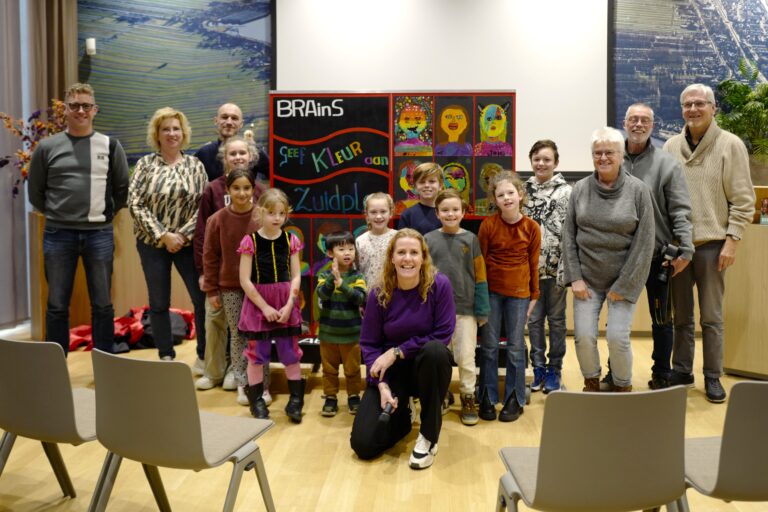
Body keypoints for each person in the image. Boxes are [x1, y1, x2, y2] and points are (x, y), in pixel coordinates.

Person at [663, 84, 755, 403]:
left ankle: (713, 376)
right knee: (682, 316)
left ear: (713, 108)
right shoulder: (671, 146)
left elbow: (744, 200)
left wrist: (733, 241)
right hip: (678, 246)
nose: (693, 109)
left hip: (713, 245)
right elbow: (664, 197)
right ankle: (682, 371)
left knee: (712, 317)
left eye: (700, 103)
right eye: (687, 104)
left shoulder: (730, 145)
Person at [28, 82, 129, 356]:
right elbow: (35, 191)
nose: (80, 111)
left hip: (99, 235)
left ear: (95, 110)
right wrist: (58, 214)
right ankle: (55, 362)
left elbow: (122, 190)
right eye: (74, 106)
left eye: (86, 106)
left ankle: (106, 360)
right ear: (66, 110)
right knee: (57, 303)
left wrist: (105, 215)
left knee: (102, 303)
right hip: (58, 234)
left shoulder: (110, 146)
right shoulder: (47, 147)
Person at [599, 103, 694, 391]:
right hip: (619, 258)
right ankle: (614, 372)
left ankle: (662, 373)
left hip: (656, 257)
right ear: (624, 124)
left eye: (644, 120)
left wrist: (685, 249)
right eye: (633, 120)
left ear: (652, 126)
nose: (638, 124)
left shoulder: (667, 164)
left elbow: (680, 209)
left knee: (662, 320)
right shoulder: (612, 159)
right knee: (616, 323)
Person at [350, 229, 455, 470]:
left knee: (436, 351)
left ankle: (429, 435)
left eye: (414, 253)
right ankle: (404, 415)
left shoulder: (439, 285)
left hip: (427, 369)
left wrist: (398, 351)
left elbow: (443, 333)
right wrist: (381, 385)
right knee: (363, 445)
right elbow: (369, 344)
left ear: (423, 258)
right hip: (392, 373)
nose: (407, 258)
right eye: (401, 252)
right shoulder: (378, 292)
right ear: (392, 258)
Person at [562, 127, 654, 393]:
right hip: (586, 281)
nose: (603, 157)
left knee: (617, 338)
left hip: (623, 281)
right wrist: (576, 278)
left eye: (609, 152)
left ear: (621, 155)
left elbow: (645, 243)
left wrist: (624, 285)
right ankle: (591, 381)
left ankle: (622, 385)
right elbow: (568, 235)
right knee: (584, 337)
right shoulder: (579, 189)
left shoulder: (639, 191)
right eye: (597, 153)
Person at [128, 107, 207, 364]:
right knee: (159, 301)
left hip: (187, 243)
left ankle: (205, 355)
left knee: (201, 298)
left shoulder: (195, 165)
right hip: (152, 243)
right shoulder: (145, 164)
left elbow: (203, 207)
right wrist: (163, 235)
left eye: (176, 128)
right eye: (166, 129)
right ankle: (166, 355)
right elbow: (135, 203)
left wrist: (181, 236)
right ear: (157, 134)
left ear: (183, 133)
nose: (172, 133)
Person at [196, 137, 265, 406]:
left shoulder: (261, 200)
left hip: (258, 285)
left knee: (255, 333)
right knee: (223, 325)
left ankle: (255, 379)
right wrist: (209, 281)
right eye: (232, 153)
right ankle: (225, 374)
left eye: (243, 152)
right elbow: (207, 241)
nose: (242, 193)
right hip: (226, 280)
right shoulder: (213, 194)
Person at [238, 188, 305, 422]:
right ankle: (256, 402)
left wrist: (289, 305)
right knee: (257, 355)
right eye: (271, 213)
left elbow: (296, 276)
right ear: (260, 213)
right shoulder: (251, 241)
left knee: (291, 353)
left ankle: (296, 401)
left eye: (281, 213)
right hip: (259, 304)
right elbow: (244, 280)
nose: (277, 218)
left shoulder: (291, 239)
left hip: (286, 302)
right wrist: (264, 307)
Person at [478, 171, 540, 423]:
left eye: (510, 193)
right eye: (500, 194)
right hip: (492, 293)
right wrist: (480, 298)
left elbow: (534, 264)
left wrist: (534, 296)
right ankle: (487, 395)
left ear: (520, 195)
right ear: (495, 198)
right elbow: (480, 264)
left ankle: (514, 396)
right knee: (489, 347)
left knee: (515, 347)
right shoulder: (488, 225)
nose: (506, 198)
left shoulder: (531, 227)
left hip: (519, 295)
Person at [425, 189, 490, 425]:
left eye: (455, 210)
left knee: (465, 356)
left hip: (466, 310)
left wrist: (481, 310)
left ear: (463, 212)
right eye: (445, 210)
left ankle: (468, 395)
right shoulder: (428, 240)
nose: (450, 214)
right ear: (437, 213)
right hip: (435, 313)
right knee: (439, 357)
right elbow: (423, 276)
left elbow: (480, 277)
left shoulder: (470, 240)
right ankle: (441, 395)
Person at [522, 140, 572, 394]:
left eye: (546, 159)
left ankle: (555, 369)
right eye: (537, 159)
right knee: (533, 322)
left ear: (556, 163)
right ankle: (538, 368)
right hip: (528, 271)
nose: (541, 164)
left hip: (556, 271)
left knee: (557, 321)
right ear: (531, 161)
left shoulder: (567, 192)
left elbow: (571, 232)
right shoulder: (521, 191)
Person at [315, 231, 367, 417]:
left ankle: (354, 396)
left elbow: (360, 298)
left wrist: (342, 284)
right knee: (329, 369)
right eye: (341, 249)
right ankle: (330, 398)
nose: (347, 253)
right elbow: (322, 295)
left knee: (352, 369)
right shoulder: (323, 275)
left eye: (351, 249)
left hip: (352, 334)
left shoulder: (357, 276)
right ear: (330, 253)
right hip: (328, 334)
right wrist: (333, 278)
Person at [195, 103, 269, 182]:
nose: (229, 122)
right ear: (216, 121)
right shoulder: (204, 153)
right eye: (224, 117)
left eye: (234, 118)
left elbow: (277, 175)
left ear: (241, 124)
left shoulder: (254, 151)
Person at [356, 192, 398, 288]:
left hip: (394, 294)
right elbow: (357, 271)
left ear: (391, 213)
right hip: (368, 296)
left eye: (383, 211)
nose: (378, 216)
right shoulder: (360, 241)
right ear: (366, 214)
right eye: (373, 212)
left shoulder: (398, 237)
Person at [397, 162, 444, 234]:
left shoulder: (448, 212)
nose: (427, 185)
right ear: (415, 186)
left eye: (432, 181)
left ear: (440, 185)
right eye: (422, 182)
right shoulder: (408, 214)